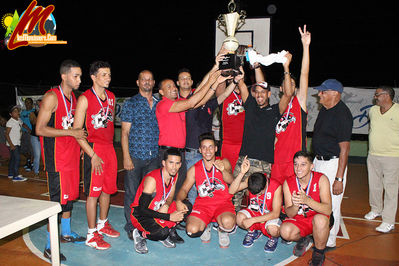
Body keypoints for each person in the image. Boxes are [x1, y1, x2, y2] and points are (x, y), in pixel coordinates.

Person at [36, 59, 87, 261]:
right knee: (56, 202)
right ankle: (49, 246)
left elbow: (74, 131)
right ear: (64, 76)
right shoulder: (51, 97)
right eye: (76, 76)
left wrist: (77, 142)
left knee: (69, 198)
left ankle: (65, 233)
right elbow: (39, 129)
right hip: (57, 160)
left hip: (71, 157)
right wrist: (71, 132)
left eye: (80, 76)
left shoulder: (74, 98)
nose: (79, 79)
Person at [231, 55, 295, 212]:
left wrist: (286, 67)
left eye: (263, 92)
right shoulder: (250, 106)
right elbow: (242, 84)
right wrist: (240, 77)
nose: (259, 95)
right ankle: (229, 225)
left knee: (260, 200)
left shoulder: (275, 111)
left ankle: (259, 226)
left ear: (269, 94)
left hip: (263, 165)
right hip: (243, 161)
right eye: (257, 92)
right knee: (234, 199)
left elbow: (287, 94)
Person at [156, 66, 225, 197]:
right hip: (168, 151)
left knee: (179, 186)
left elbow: (200, 99)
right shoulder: (164, 104)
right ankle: (162, 213)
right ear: (161, 92)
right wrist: (212, 80)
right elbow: (193, 101)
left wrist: (215, 75)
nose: (173, 89)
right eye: (169, 87)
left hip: (181, 153)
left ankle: (175, 213)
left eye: (173, 87)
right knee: (166, 185)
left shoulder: (180, 103)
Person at [73, 61, 120, 250]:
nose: (108, 78)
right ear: (93, 77)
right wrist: (92, 155)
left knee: (107, 190)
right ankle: (91, 234)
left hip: (109, 148)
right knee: (93, 193)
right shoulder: (84, 98)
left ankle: (102, 223)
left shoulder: (111, 97)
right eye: (104, 75)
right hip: (94, 149)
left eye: (109, 74)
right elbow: (77, 132)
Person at [180, 65, 241, 205]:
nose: (207, 91)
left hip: (206, 153)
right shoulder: (190, 105)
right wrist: (213, 76)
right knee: (194, 188)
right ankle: (194, 213)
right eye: (203, 91)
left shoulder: (209, 105)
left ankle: (205, 211)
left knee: (206, 185)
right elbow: (203, 87)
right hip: (193, 153)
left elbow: (224, 95)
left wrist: (235, 82)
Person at [312, 79, 353, 250]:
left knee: (332, 204)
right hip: (319, 161)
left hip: (333, 164)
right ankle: (319, 232)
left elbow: (344, 149)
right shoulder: (325, 110)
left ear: (335, 94)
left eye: (323, 91)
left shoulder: (343, 114)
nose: (319, 94)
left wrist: (339, 178)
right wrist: (314, 163)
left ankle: (329, 241)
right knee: (317, 200)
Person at [176, 133, 236, 248]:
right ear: (199, 150)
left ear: (216, 149)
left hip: (223, 204)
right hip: (203, 206)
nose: (207, 150)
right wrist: (179, 200)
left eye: (211, 147)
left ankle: (222, 231)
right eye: (204, 147)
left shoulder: (224, 162)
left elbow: (231, 181)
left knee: (228, 222)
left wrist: (223, 170)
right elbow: (184, 189)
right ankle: (205, 224)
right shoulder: (194, 169)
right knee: (191, 230)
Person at [120, 70, 160, 240]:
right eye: (143, 79)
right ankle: (131, 226)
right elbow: (124, 133)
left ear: (153, 82)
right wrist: (126, 157)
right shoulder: (131, 103)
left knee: (149, 194)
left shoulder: (159, 103)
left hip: (154, 157)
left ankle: (145, 223)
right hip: (135, 156)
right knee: (131, 193)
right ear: (138, 82)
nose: (146, 82)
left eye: (149, 79)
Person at [272, 25, 311, 185]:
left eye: (294, 84)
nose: (291, 86)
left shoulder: (299, 102)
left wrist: (305, 46)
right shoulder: (276, 108)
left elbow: (304, 73)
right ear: (281, 88)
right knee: (276, 200)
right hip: (277, 161)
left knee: (294, 202)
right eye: (288, 84)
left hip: (296, 163)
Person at [130, 148, 189, 254]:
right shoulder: (152, 180)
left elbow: (170, 196)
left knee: (186, 207)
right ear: (163, 163)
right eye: (171, 163)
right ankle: (139, 233)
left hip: (159, 207)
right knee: (161, 233)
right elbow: (142, 210)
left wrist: (166, 204)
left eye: (177, 163)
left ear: (180, 164)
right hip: (141, 215)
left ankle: (167, 228)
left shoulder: (174, 174)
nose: (174, 167)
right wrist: (169, 217)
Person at [280, 151, 332, 265]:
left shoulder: (321, 179)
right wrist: (295, 205)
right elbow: (289, 213)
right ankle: (304, 238)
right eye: (296, 164)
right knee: (285, 231)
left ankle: (319, 252)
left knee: (321, 220)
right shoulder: (288, 182)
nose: (298, 168)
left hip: (316, 217)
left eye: (303, 164)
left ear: (311, 166)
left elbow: (328, 209)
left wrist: (307, 200)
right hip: (299, 219)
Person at [229, 156, 283, 253]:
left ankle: (273, 238)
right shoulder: (251, 180)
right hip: (254, 213)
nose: (257, 195)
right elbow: (231, 190)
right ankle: (254, 232)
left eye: (260, 193)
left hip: (268, 218)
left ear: (266, 184)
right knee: (239, 218)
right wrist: (242, 173)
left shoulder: (276, 186)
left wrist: (252, 220)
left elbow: (275, 214)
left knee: (274, 230)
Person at [364, 86, 399, 233]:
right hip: (373, 155)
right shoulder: (372, 111)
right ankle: (376, 209)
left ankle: (389, 220)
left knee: (390, 188)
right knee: (374, 185)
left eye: (377, 94)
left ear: (386, 95)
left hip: (393, 156)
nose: (375, 97)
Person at [5, 105, 27, 182]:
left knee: (13, 159)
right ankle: (15, 176)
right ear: (10, 114)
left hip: (17, 142)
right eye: (15, 111)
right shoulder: (10, 122)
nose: (17, 112)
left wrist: (29, 129)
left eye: (18, 111)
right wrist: (11, 145)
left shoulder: (19, 120)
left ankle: (11, 174)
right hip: (13, 143)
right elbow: (6, 134)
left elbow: (23, 124)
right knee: (17, 159)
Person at [20, 97, 34, 171]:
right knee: (23, 150)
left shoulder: (34, 111)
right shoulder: (22, 113)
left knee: (32, 149)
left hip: (32, 133)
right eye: (26, 102)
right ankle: (28, 160)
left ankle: (31, 163)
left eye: (29, 102)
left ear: (32, 104)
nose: (27, 104)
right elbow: (21, 122)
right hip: (24, 133)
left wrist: (30, 130)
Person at [29, 100, 41, 178]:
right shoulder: (32, 113)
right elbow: (35, 123)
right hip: (35, 137)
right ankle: (36, 171)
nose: (39, 105)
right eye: (37, 104)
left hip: (43, 137)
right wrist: (40, 114)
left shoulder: (46, 113)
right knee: (37, 155)